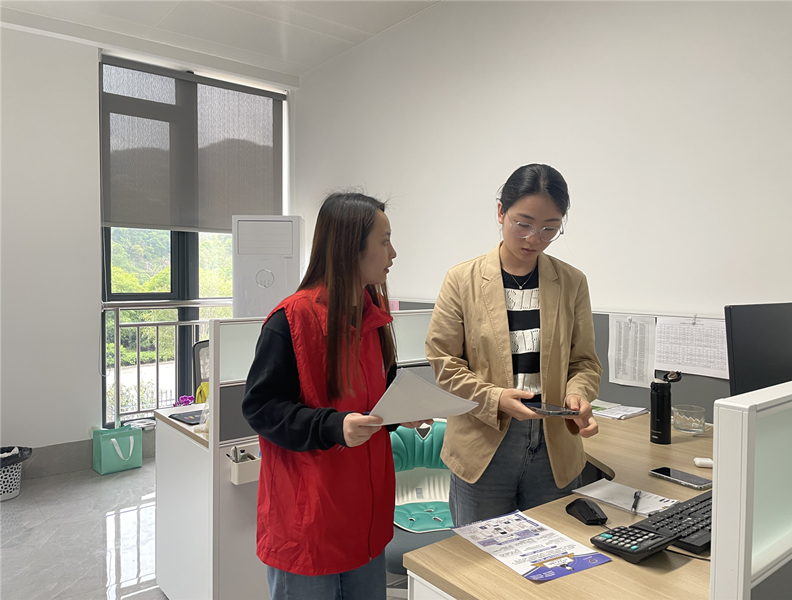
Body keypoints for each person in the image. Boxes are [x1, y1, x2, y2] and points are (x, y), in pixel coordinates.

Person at [242, 191, 429, 600]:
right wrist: (333, 426)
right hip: (308, 525)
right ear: (350, 247)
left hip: (364, 519)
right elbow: (261, 408)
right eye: (384, 241)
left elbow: (372, 400)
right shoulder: (291, 319)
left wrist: (400, 412)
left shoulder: (373, 317)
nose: (393, 253)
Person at [425, 164, 602, 527]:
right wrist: (495, 398)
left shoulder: (571, 282)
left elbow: (584, 362)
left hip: (554, 443)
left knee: (553, 550)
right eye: (523, 224)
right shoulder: (462, 280)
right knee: (480, 555)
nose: (534, 238)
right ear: (500, 212)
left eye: (549, 228)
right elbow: (444, 362)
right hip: (483, 441)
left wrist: (578, 394)